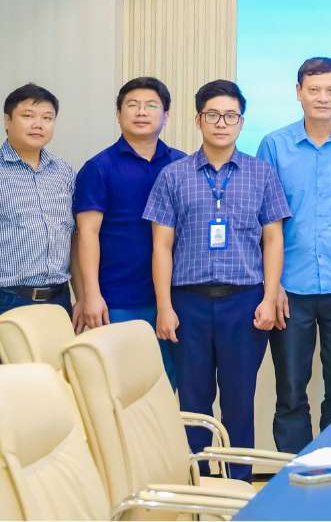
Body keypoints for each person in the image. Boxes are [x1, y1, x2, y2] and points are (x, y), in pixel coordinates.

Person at [144, 79, 289, 480]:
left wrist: (270, 296)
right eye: (212, 115)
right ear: (197, 120)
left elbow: (274, 239)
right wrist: (164, 307)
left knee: (240, 400)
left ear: (241, 122)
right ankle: (200, 484)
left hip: (244, 303)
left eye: (230, 116)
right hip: (187, 303)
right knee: (193, 401)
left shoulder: (261, 174)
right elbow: (161, 246)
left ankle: (237, 486)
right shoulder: (173, 176)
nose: (221, 123)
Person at [256, 57, 331, 452]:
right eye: (314, 90)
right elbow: (266, 224)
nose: (322, 98)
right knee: (291, 392)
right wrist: (271, 288)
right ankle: (292, 482)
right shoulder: (274, 145)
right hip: (290, 289)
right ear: (298, 93)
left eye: (330, 90)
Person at [72, 77, 185, 385]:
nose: (141, 112)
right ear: (119, 113)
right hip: (117, 298)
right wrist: (90, 294)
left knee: (168, 386)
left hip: (174, 300)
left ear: (166, 116)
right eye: (132, 105)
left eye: (151, 106)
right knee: (121, 388)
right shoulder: (98, 168)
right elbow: (87, 234)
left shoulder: (181, 165)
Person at [0, 83, 74, 315]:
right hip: (8, 299)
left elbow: (74, 238)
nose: (38, 124)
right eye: (28, 116)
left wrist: (81, 297)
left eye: (47, 117)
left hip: (59, 298)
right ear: (7, 120)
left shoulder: (64, 172)